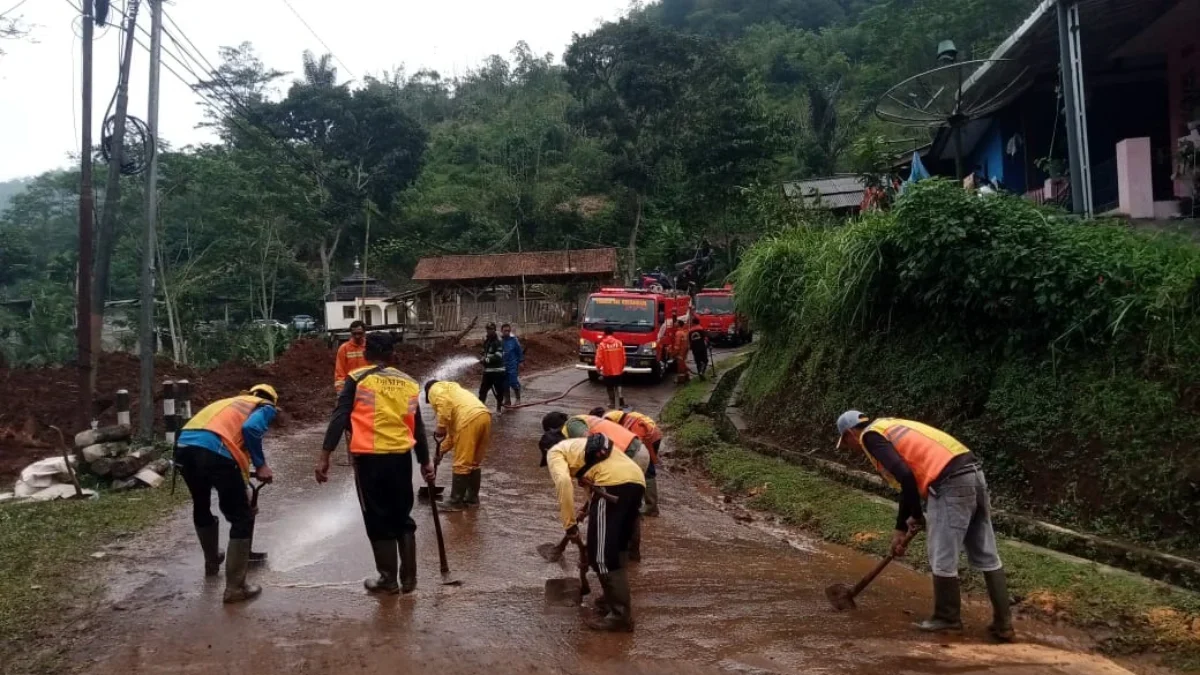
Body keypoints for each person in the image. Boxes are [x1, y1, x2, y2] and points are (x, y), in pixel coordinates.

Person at [836, 410, 1014, 642]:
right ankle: (1004, 625)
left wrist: (911, 521)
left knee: (942, 555)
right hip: (973, 474)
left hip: (949, 482)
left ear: (850, 433)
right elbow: (906, 482)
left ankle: (947, 619)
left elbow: (906, 476)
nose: (852, 448)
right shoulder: (888, 425)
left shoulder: (869, 437)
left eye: (847, 443)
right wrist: (908, 521)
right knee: (987, 554)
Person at [316, 333, 435, 595]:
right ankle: (409, 579)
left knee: (378, 517)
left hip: (370, 460)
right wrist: (425, 461)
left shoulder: (357, 379)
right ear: (392, 355)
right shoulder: (409, 383)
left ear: (367, 354)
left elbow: (339, 417)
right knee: (402, 517)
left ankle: (388, 580)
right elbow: (418, 427)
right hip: (402, 459)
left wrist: (325, 455)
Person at [176, 383, 279, 603]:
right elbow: (250, 430)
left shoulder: (228, 403)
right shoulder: (265, 406)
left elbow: (233, 447)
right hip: (214, 450)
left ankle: (212, 562)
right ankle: (235, 589)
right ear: (270, 400)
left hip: (183, 448)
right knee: (241, 516)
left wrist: (242, 488)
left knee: (201, 503)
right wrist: (261, 465)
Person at [545, 434, 645, 631]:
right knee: (618, 545)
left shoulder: (554, 453)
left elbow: (564, 483)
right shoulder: (578, 446)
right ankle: (611, 601)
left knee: (601, 555)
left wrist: (570, 524)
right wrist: (587, 508)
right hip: (636, 481)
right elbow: (598, 474)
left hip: (612, 485)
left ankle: (619, 616)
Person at [424, 379, 491, 511]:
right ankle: (472, 499)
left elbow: (444, 402)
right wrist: (440, 451)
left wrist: (441, 425)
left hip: (468, 419)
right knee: (473, 462)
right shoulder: (453, 390)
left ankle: (455, 502)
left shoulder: (434, 389)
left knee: (461, 463)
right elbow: (454, 435)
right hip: (484, 416)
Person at [593, 407, 662, 517]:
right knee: (642, 469)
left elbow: (634, 446)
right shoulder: (626, 417)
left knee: (647, 472)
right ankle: (644, 502)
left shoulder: (630, 424)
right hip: (654, 435)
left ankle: (651, 507)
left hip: (649, 438)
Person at [594, 326, 626, 409]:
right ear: (612, 333)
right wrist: (622, 366)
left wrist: (598, 367)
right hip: (618, 370)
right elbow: (623, 357)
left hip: (607, 371)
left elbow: (599, 358)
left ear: (604, 333)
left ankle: (612, 403)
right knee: (618, 385)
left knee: (609, 387)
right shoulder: (619, 343)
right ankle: (621, 400)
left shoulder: (602, 345)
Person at [479, 322, 507, 413]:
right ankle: (480, 410)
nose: (488, 331)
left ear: (494, 330)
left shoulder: (498, 341)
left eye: (490, 329)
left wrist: (486, 360)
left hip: (498, 372)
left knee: (499, 390)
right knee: (482, 391)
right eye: (487, 329)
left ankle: (499, 408)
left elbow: (498, 356)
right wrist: (483, 356)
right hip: (488, 372)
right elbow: (485, 353)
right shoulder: (487, 341)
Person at [334, 320, 368, 393]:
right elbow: (340, 370)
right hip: (350, 387)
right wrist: (340, 390)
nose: (357, 336)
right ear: (351, 333)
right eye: (354, 333)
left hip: (367, 386)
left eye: (359, 333)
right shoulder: (344, 348)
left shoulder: (370, 347)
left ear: (364, 332)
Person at [500, 323, 525, 406]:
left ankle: (518, 398)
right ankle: (507, 400)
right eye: (505, 331)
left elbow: (519, 351)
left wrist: (521, 361)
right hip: (503, 365)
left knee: (513, 381)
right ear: (501, 331)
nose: (506, 332)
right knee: (504, 383)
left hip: (512, 364)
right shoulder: (500, 341)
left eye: (508, 330)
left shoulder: (514, 340)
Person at [672, 318, 690, 384]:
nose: (674, 323)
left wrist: (674, 353)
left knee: (680, 367)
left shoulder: (678, 333)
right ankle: (687, 377)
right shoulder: (684, 332)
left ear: (679, 324)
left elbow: (677, 345)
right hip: (684, 351)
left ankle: (681, 380)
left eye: (676, 322)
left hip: (680, 352)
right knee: (683, 365)